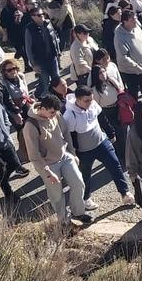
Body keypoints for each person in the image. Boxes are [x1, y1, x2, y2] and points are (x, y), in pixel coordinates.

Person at [23, 94, 90, 227]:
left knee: (78, 183)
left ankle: (78, 212)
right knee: (57, 195)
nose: (54, 115)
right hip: (47, 165)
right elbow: (34, 155)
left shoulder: (56, 114)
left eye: (56, 112)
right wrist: (48, 172)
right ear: (42, 108)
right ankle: (63, 220)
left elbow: (66, 133)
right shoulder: (31, 126)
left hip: (64, 157)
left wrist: (72, 153)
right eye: (52, 112)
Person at [63, 85, 133, 210]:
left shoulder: (93, 104)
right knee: (84, 175)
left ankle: (125, 193)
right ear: (77, 100)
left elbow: (102, 118)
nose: (90, 103)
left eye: (91, 99)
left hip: (101, 142)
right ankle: (86, 198)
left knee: (115, 164)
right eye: (86, 101)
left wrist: (111, 133)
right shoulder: (69, 115)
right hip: (84, 151)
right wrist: (74, 153)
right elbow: (70, 137)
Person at [0, 58, 32, 162]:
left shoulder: (21, 76)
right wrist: (15, 114)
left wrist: (29, 100)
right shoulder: (3, 83)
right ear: (4, 72)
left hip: (25, 105)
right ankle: (24, 153)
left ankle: (32, 150)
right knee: (21, 130)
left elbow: (26, 90)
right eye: (9, 70)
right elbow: (6, 101)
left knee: (30, 128)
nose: (12, 71)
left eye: (14, 68)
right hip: (13, 109)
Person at [24, 7, 62, 98]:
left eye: (42, 14)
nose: (42, 16)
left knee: (57, 79)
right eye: (39, 15)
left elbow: (55, 39)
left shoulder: (48, 23)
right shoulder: (29, 29)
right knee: (45, 82)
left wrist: (58, 52)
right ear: (33, 17)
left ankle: (58, 97)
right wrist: (33, 64)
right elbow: (28, 48)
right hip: (40, 60)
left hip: (52, 57)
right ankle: (41, 97)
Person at [113, 9, 142, 98]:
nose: (135, 21)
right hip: (130, 71)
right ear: (125, 21)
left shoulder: (137, 28)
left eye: (135, 18)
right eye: (132, 20)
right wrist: (137, 67)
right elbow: (123, 57)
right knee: (133, 96)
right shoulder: (119, 36)